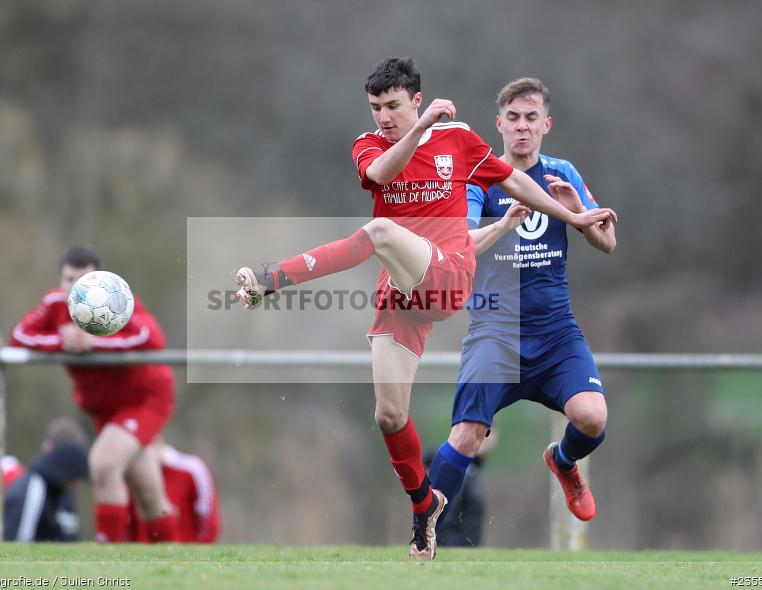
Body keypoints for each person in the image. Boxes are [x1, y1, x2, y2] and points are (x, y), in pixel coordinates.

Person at [234, 58, 616, 559]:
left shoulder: (457, 139)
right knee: (390, 416)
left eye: (393, 105)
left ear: (415, 98)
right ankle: (423, 512)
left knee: (378, 232)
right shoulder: (370, 145)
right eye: (376, 107)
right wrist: (421, 130)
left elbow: (516, 184)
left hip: (446, 275)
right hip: (402, 293)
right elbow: (380, 171)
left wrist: (572, 215)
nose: (383, 116)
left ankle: (272, 277)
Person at [428, 77, 615, 528]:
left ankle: (564, 461)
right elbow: (462, 242)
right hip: (496, 332)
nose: (522, 127)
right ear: (499, 124)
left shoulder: (562, 173)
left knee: (592, 417)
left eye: (531, 118)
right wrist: (503, 225)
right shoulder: (480, 179)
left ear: (546, 124)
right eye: (513, 118)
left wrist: (575, 213)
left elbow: (607, 241)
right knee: (467, 435)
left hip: (555, 332)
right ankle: (424, 529)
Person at [11, 245, 178, 543]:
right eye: (68, 279)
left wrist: (94, 342)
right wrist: (61, 342)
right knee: (149, 492)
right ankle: (176, 562)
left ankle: (106, 557)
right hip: (105, 408)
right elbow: (19, 335)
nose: (74, 287)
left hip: (144, 399)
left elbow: (150, 338)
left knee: (103, 464)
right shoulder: (55, 303)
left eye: (83, 279)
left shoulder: (117, 299)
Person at [128, 438, 221, 543]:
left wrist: (198, 554)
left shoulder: (191, 468)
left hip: (186, 552)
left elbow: (209, 520)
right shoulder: (129, 470)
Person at [3, 437, 89, 541]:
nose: (74, 486)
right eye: (73, 479)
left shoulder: (62, 494)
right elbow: (18, 541)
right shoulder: (33, 490)